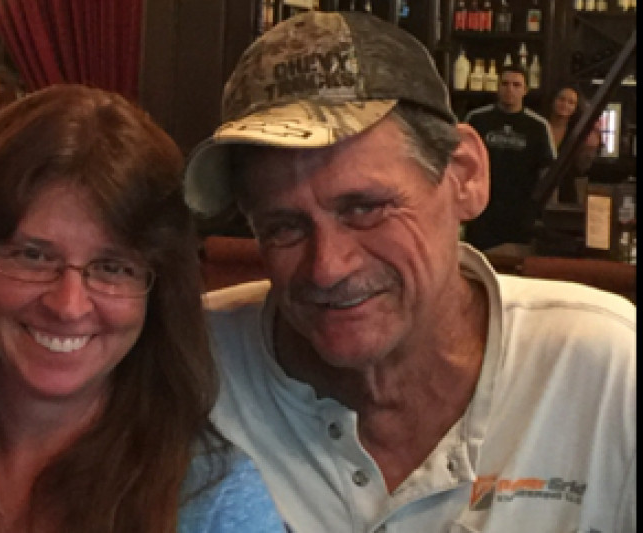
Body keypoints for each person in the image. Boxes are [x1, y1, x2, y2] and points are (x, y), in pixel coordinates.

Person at [183, 11, 635, 533]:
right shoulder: (193, 362)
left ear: (465, 176)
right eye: (283, 227)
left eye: (364, 208)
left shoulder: (605, 372)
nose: (327, 268)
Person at [0, 84, 285, 532]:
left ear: (158, 293)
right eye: (33, 256)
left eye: (112, 267)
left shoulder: (216, 503)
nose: (69, 306)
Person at [463, 64, 557, 250]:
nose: (510, 89)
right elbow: (460, 163)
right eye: (505, 84)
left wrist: (545, 213)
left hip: (521, 213)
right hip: (482, 212)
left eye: (516, 85)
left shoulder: (538, 126)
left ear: (525, 90)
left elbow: (548, 173)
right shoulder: (476, 119)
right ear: (497, 87)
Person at [546, 85, 602, 203]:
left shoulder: (578, 133)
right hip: (537, 189)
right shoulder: (540, 126)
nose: (565, 104)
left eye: (571, 102)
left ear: (576, 107)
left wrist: (590, 149)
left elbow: (582, 169)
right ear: (553, 100)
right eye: (561, 99)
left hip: (566, 192)